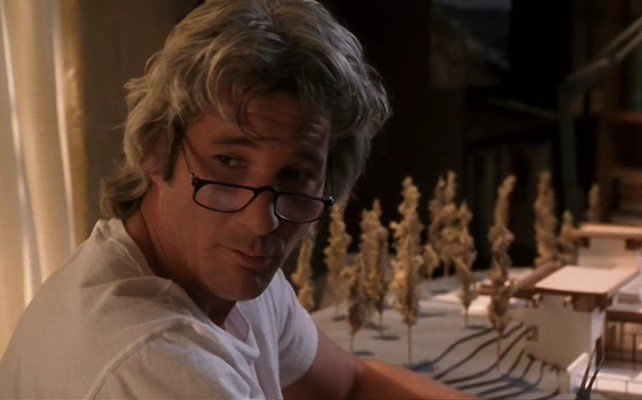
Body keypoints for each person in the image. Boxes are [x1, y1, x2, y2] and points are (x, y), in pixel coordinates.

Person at [0, 0, 473, 398]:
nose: (261, 222)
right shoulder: (157, 363)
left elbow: (350, 385)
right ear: (155, 149)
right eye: (227, 163)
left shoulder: (223, 274)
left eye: (296, 175)